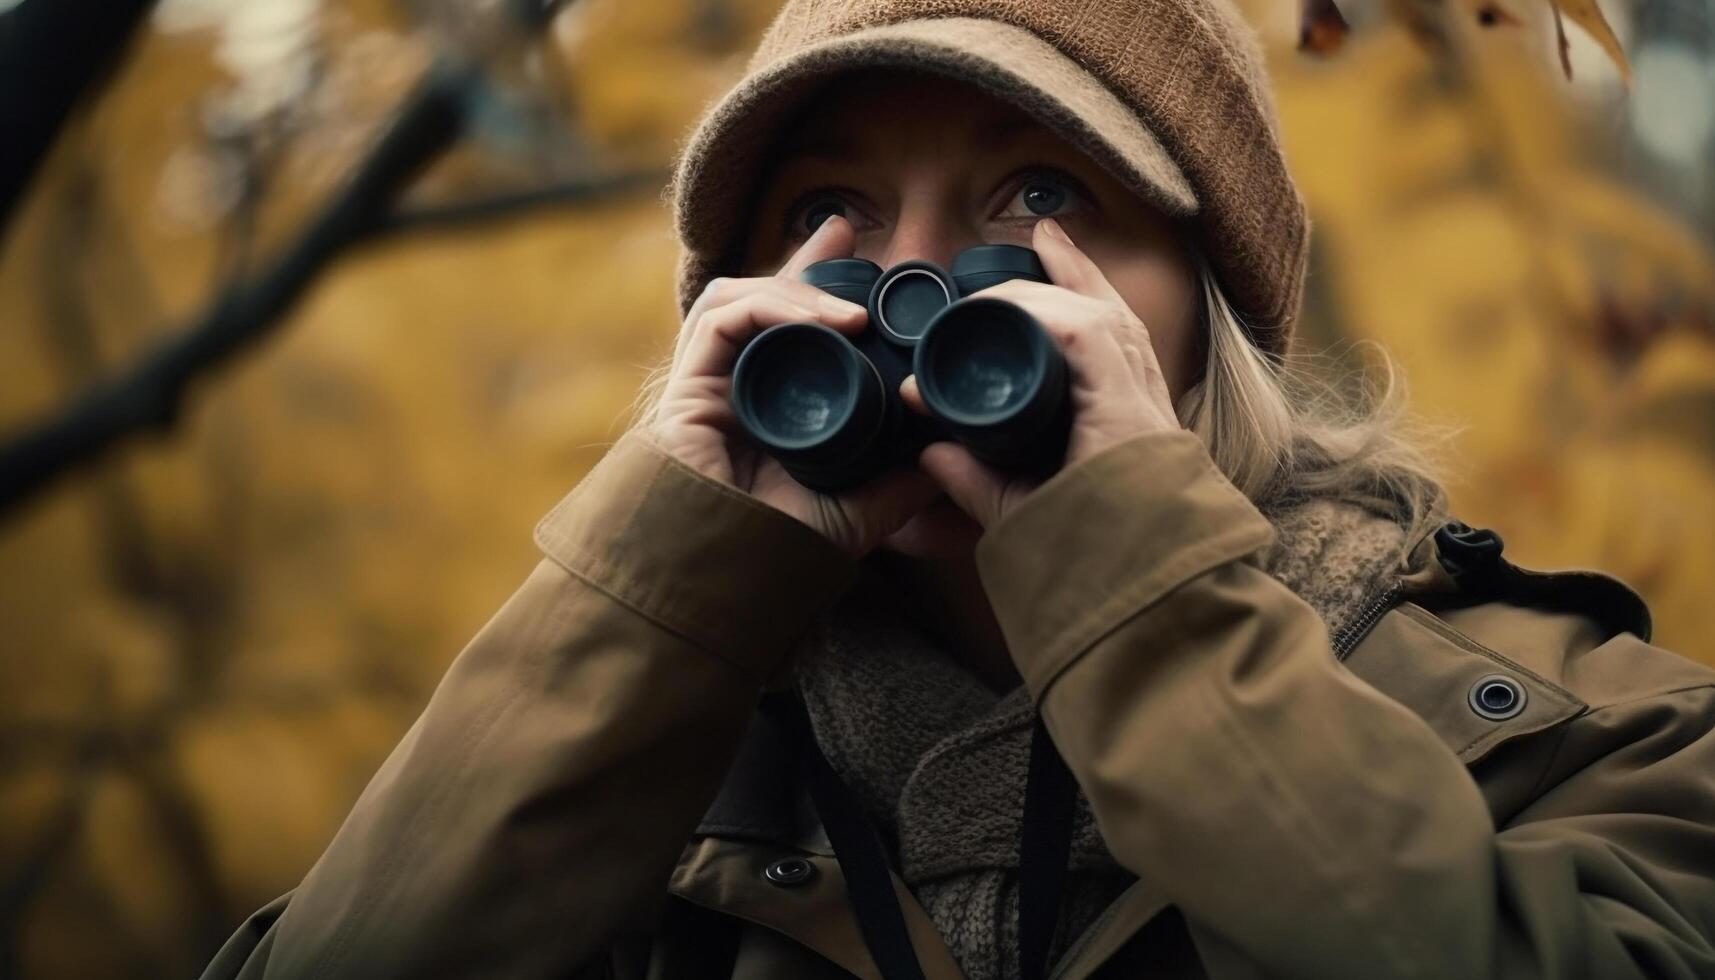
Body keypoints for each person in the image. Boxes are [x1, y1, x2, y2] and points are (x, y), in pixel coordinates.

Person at [201, 1, 1715, 978]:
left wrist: (1135, 578)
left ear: (1209, 318)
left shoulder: (1589, 738)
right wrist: (653, 591)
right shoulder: (632, 787)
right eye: (824, 212)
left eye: (1042, 196)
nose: (911, 279)